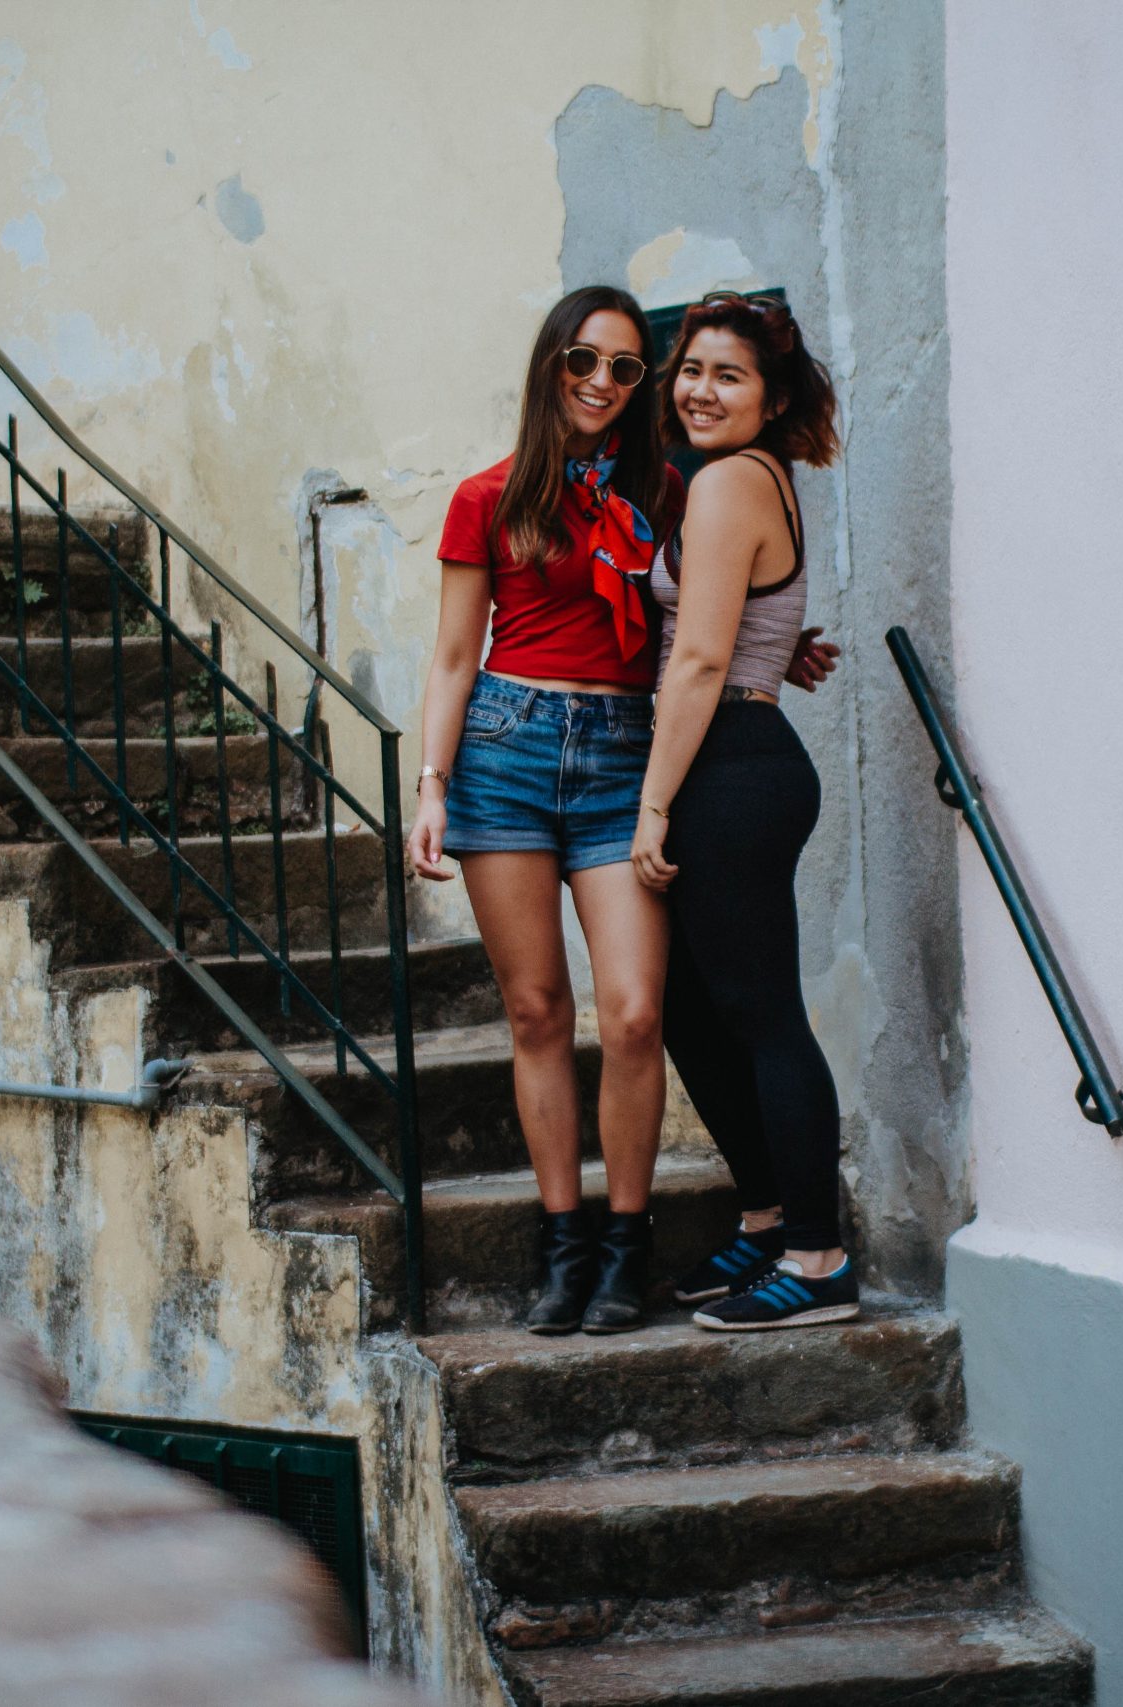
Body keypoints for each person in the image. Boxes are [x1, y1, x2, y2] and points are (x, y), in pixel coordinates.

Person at [406, 285, 837, 1335]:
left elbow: (698, 619)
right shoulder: (486, 497)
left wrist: (773, 653)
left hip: (620, 757)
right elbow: (456, 655)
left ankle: (631, 1246)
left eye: (623, 366)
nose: (603, 382)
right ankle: (567, 1244)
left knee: (641, 1011)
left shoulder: (668, 486)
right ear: (549, 366)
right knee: (537, 1012)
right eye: (581, 362)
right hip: (505, 750)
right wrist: (430, 782)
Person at [631, 292, 860, 1331]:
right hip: (730, 754)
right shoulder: (740, 478)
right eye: (689, 369)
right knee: (687, 1009)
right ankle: (768, 1214)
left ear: (768, 400)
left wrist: (652, 805)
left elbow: (703, 658)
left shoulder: (727, 482)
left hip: (727, 766)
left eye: (728, 375)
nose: (699, 389)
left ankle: (817, 1260)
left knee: (762, 1014)